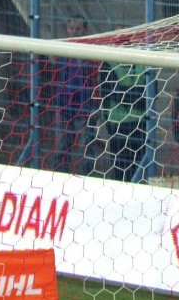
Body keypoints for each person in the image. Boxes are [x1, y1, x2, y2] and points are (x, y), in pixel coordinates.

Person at [54, 16, 99, 175]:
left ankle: (85, 181)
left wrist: (94, 108)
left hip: (85, 109)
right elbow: (58, 81)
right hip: (66, 107)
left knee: (86, 151)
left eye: (78, 29)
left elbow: (96, 81)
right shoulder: (62, 52)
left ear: (85, 31)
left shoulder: (92, 53)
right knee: (62, 149)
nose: (74, 32)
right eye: (71, 28)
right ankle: (60, 180)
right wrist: (58, 108)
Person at [98, 61, 150, 182]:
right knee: (121, 168)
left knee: (138, 166)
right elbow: (111, 93)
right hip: (119, 125)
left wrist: (125, 93)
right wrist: (139, 94)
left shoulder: (144, 64)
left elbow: (153, 92)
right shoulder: (109, 65)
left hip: (140, 124)